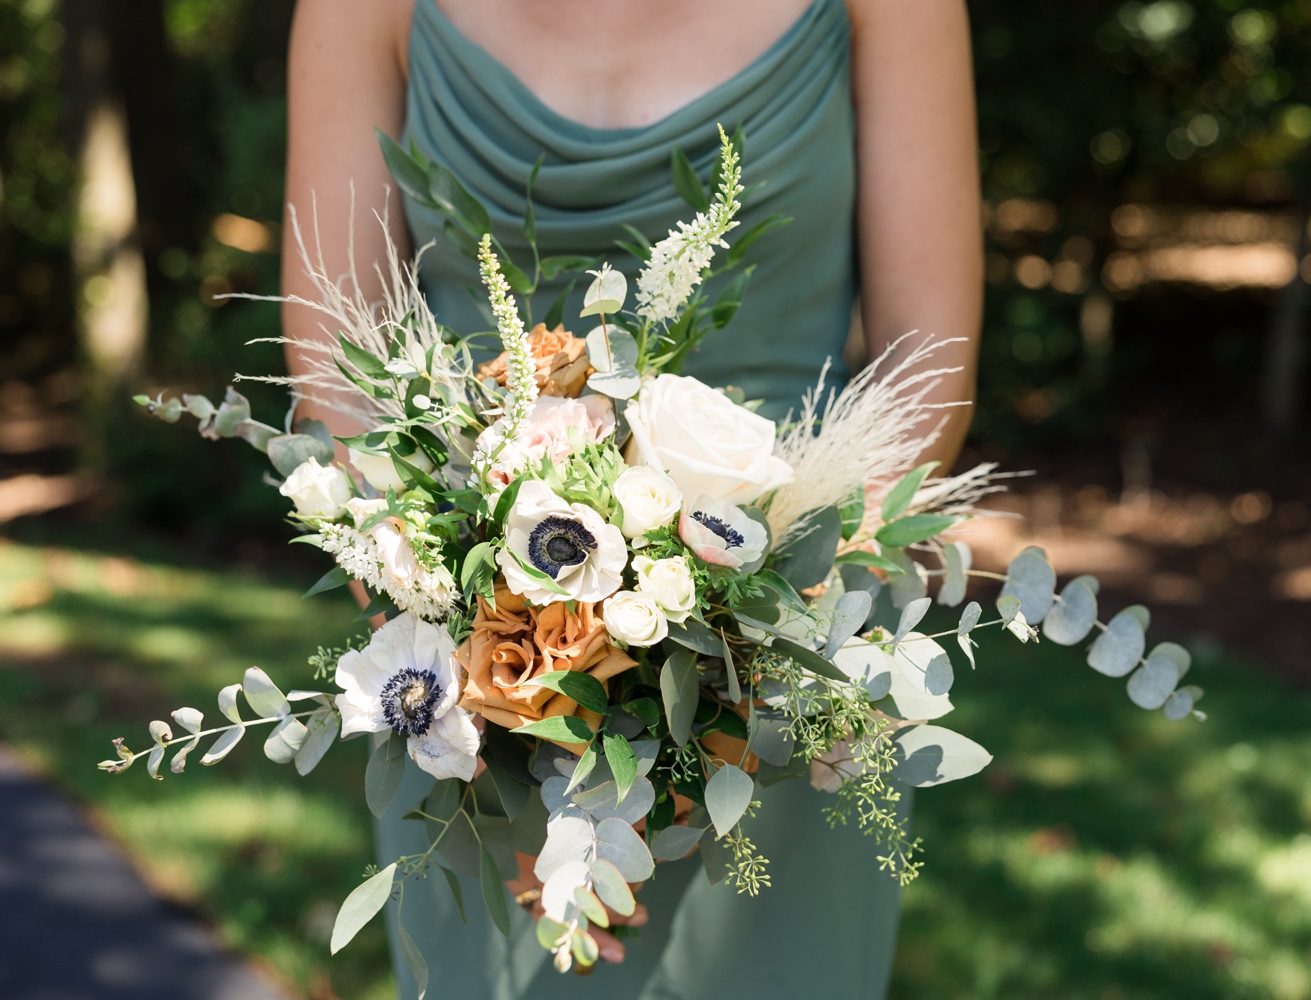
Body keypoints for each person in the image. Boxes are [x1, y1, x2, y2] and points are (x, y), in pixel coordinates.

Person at [281, 1, 981, 996]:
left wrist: (729, 691)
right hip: (476, 689)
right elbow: (339, 390)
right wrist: (479, 688)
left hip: (789, 675)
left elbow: (925, 382)